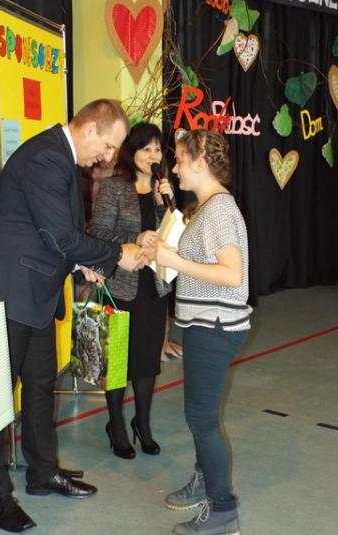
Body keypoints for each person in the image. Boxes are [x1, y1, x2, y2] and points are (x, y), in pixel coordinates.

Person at [0, 99, 147, 533]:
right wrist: (115, 254)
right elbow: (59, 235)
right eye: (108, 146)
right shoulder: (47, 158)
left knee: (38, 387)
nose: (108, 157)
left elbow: (50, 234)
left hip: (37, 295)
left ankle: (42, 472)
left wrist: (81, 263)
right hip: (13, 294)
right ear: (89, 130)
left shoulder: (60, 158)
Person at [153, 128, 251, 535]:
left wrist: (175, 260)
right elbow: (198, 263)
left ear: (200, 162)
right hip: (202, 324)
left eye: (179, 160)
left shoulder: (220, 211)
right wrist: (164, 253)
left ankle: (223, 511)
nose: (175, 168)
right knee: (199, 417)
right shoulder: (206, 208)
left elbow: (231, 274)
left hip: (215, 326)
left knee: (201, 418)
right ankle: (204, 479)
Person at [91, 121, 174, 458]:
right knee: (118, 362)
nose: (153, 155)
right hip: (120, 287)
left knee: (147, 360)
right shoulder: (114, 187)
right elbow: (98, 235)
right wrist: (134, 239)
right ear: (132, 151)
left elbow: (170, 235)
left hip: (153, 285)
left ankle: (143, 424)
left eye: (157, 149)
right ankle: (116, 425)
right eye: (146, 149)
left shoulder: (162, 189)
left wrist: (164, 204)